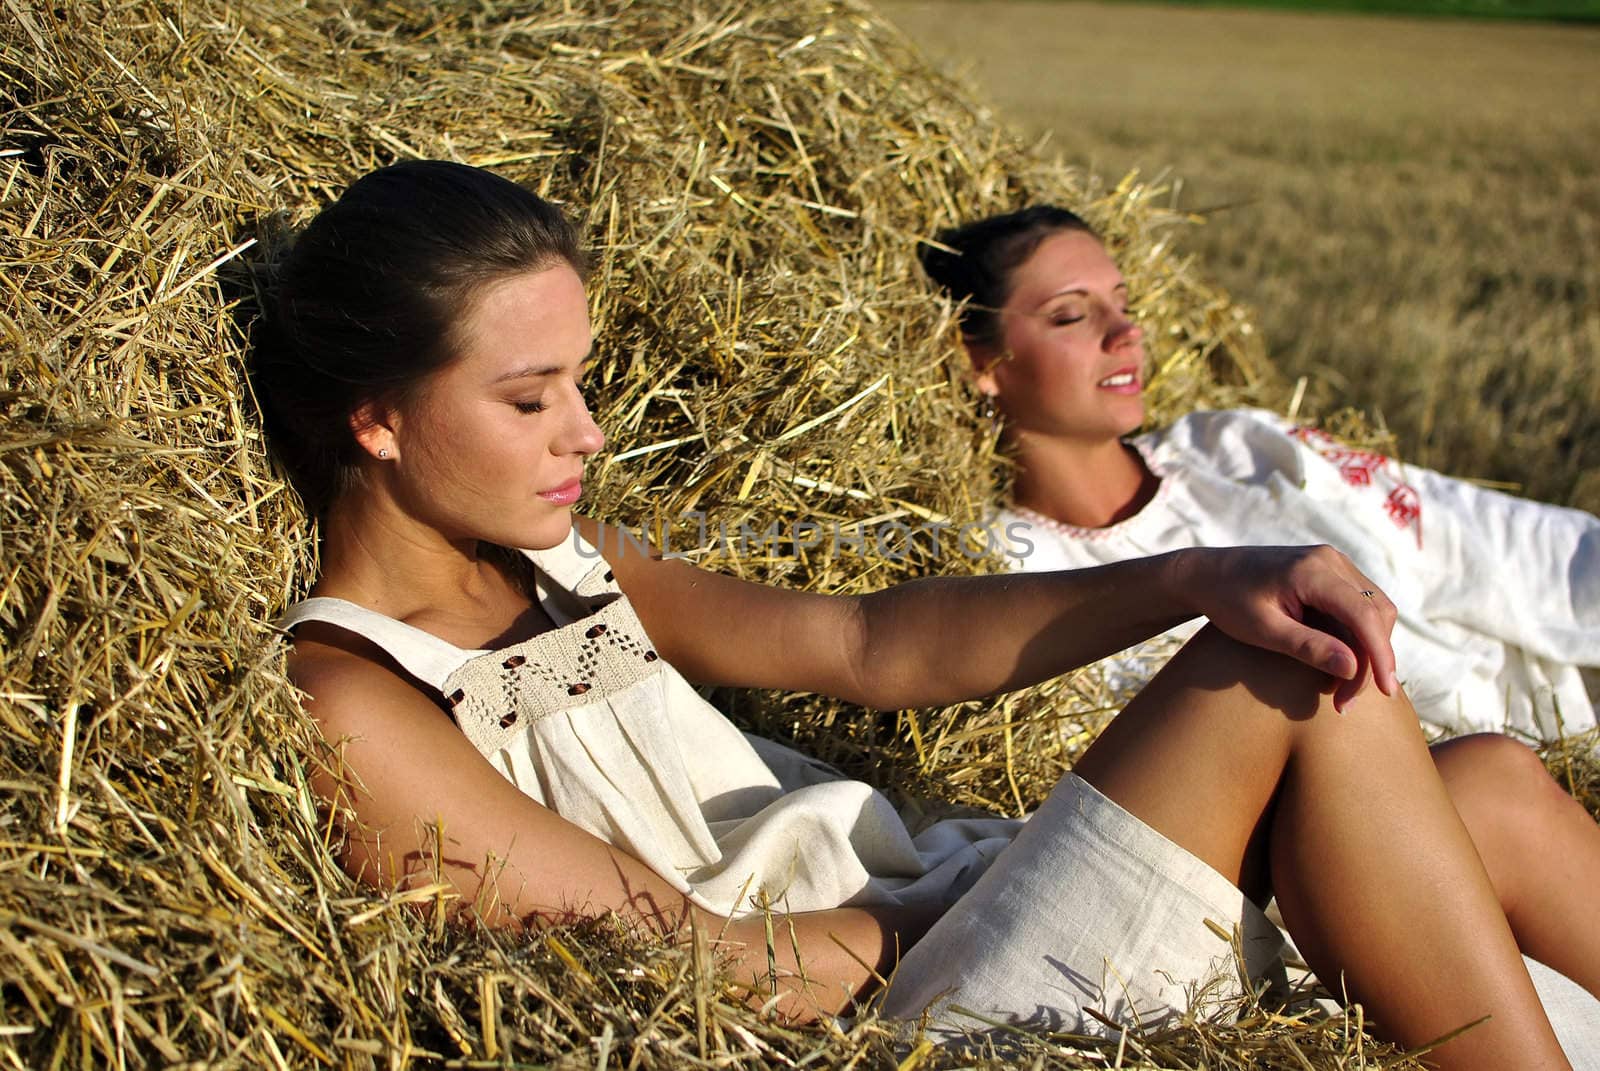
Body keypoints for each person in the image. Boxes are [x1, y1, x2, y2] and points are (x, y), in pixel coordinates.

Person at [251, 160, 1600, 1069]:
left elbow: (867, 646)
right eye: (531, 396)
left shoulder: (575, 558)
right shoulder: (359, 697)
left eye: (581, 382)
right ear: (376, 416)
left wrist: (1188, 572)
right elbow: (699, 964)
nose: (587, 432)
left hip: (952, 897)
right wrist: (964, 887)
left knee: (1482, 777)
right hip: (901, 1004)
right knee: (1278, 677)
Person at [919, 206, 1600, 742]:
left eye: (1123, 303)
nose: (1125, 332)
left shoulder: (1234, 446)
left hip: (1557, 723)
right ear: (980, 361)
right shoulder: (1010, 578)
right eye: (1070, 314)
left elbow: (1470, 530)